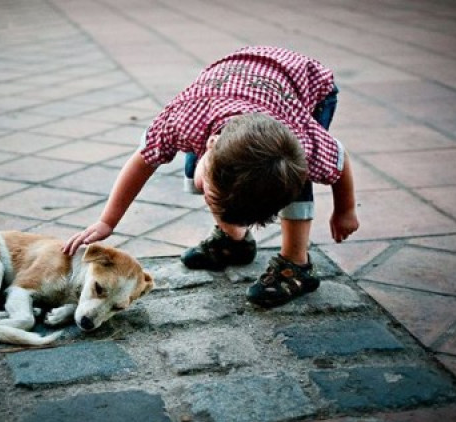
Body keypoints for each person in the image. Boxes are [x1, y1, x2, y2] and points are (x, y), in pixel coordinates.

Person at [63, 46, 359, 308]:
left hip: (308, 89)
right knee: (196, 173)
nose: (211, 201)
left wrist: (345, 210)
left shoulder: (303, 142)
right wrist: (107, 221)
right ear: (210, 144)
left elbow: (339, 157)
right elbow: (142, 161)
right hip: (238, 81)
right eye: (212, 198)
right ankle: (235, 243)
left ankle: (297, 264)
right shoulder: (181, 119)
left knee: (290, 178)